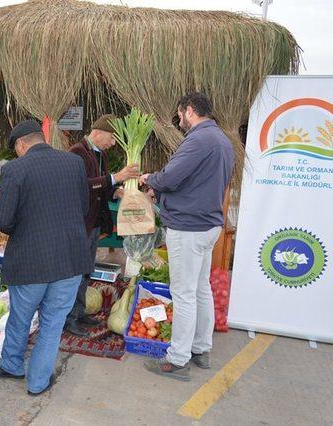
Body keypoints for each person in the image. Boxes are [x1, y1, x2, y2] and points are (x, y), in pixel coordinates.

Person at [0, 120, 91, 396]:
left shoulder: (15, 169)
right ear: (41, 138)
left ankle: (11, 365)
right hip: (69, 260)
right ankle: (38, 382)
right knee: (53, 323)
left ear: (21, 145)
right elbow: (84, 207)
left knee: (21, 316)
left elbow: (4, 221)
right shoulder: (74, 163)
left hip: (30, 262)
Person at [140, 92, 234, 381]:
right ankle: (201, 349)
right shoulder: (222, 140)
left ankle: (177, 359)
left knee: (183, 294)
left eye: (179, 114)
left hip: (189, 227)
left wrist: (150, 180)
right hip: (208, 226)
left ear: (190, 111)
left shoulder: (198, 139)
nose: (178, 120)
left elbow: (171, 177)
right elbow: (197, 181)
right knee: (200, 289)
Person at [64, 114, 140, 337]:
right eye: (112, 138)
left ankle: (79, 312)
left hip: (94, 223)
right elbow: (82, 186)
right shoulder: (77, 152)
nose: (113, 143)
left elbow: (101, 187)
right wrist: (116, 177)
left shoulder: (100, 155)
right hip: (81, 223)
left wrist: (116, 191)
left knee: (86, 271)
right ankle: (69, 318)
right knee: (76, 272)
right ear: (98, 132)